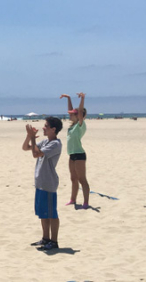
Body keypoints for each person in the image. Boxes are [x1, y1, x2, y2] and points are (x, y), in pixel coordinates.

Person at [22, 117, 63, 251]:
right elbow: (25, 148)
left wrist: (33, 138)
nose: (43, 128)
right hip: (40, 183)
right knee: (43, 213)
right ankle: (45, 238)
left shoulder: (55, 144)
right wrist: (29, 137)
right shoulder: (46, 141)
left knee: (52, 214)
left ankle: (54, 241)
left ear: (53, 129)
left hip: (48, 183)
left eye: (46, 126)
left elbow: (36, 154)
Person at [61, 92, 90, 208]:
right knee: (73, 179)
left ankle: (86, 202)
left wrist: (82, 98)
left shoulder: (80, 125)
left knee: (82, 179)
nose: (70, 115)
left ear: (79, 116)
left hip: (79, 155)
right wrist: (68, 98)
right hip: (72, 155)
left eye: (73, 114)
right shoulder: (72, 126)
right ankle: (73, 199)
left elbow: (80, 111)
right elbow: (71, 110)